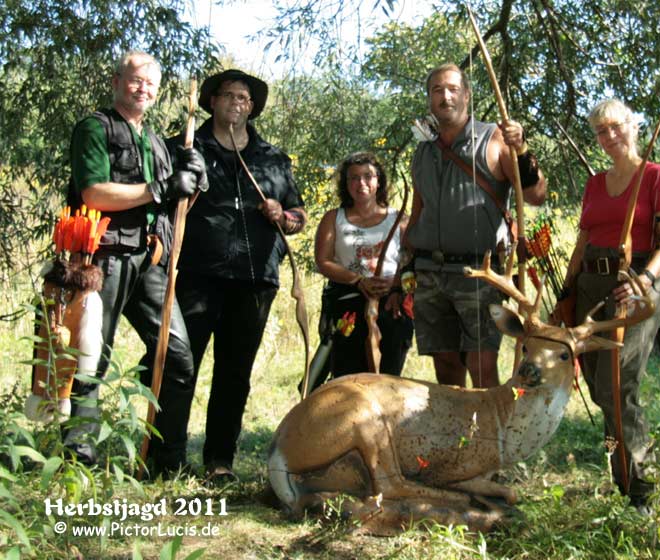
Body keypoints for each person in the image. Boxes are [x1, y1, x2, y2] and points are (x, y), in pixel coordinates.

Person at [66, 51, 203, 474]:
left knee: (177, 356)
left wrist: (194, 178)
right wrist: (159, 188)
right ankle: (79, 465)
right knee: (90, 359)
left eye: (151, 84)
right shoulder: (95, 127)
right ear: (116, 81)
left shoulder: (158, 141)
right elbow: (94, 194)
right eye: (135, 80)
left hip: (151, 261)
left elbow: (177, 202)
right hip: (103, 259)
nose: (143, 89)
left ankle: (167, 462)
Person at [172, 69, 307, 481]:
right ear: (212, 101)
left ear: (252, 107)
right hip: (197, 274)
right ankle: (168, 456)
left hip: (254, 280)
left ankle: (219, 461)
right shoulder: (187, 148)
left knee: (234, 374)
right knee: (181, 365)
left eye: (244, 98)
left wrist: (282, 215)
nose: (236, 102)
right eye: (228, 95)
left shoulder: (272, 158)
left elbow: (298, 215)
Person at [556, 99, 660, 509]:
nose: (609, 137)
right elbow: (582, 243)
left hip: (636, 284)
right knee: (597, 385)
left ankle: (640, 488)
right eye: (600, 131)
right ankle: (619, 466)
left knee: (618, 384)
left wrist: (645, 279)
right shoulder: (596, 184)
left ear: (633, 126)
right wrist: (566, 291)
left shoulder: (658, 178)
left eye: (615, 127)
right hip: (590, 284)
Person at [406, 63, 547, 389]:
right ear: (429, 99)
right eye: (437, 90)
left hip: (481, 272)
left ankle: (487, 435)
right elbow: (418, 207)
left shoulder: (494, 138)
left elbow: (536, 195)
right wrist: (405, 256)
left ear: (467, 95)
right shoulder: (423, 147)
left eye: (453, 89)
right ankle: (455, 436)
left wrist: (522, 149)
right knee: (444, 362)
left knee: (481, 363)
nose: (445, 96)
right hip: (430, 271)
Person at [312, 151, 413, 387]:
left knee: (388, 378)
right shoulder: (333, 218)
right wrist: (358, 280)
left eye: (368, 176)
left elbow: (411, 259)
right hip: (348, 303)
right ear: (345, 184)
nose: (361, 183)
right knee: (348, 378)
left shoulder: (398, 219)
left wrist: (396, 286)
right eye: (354, 178)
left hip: (392, 305)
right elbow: (323, 260)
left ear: (379, 181)